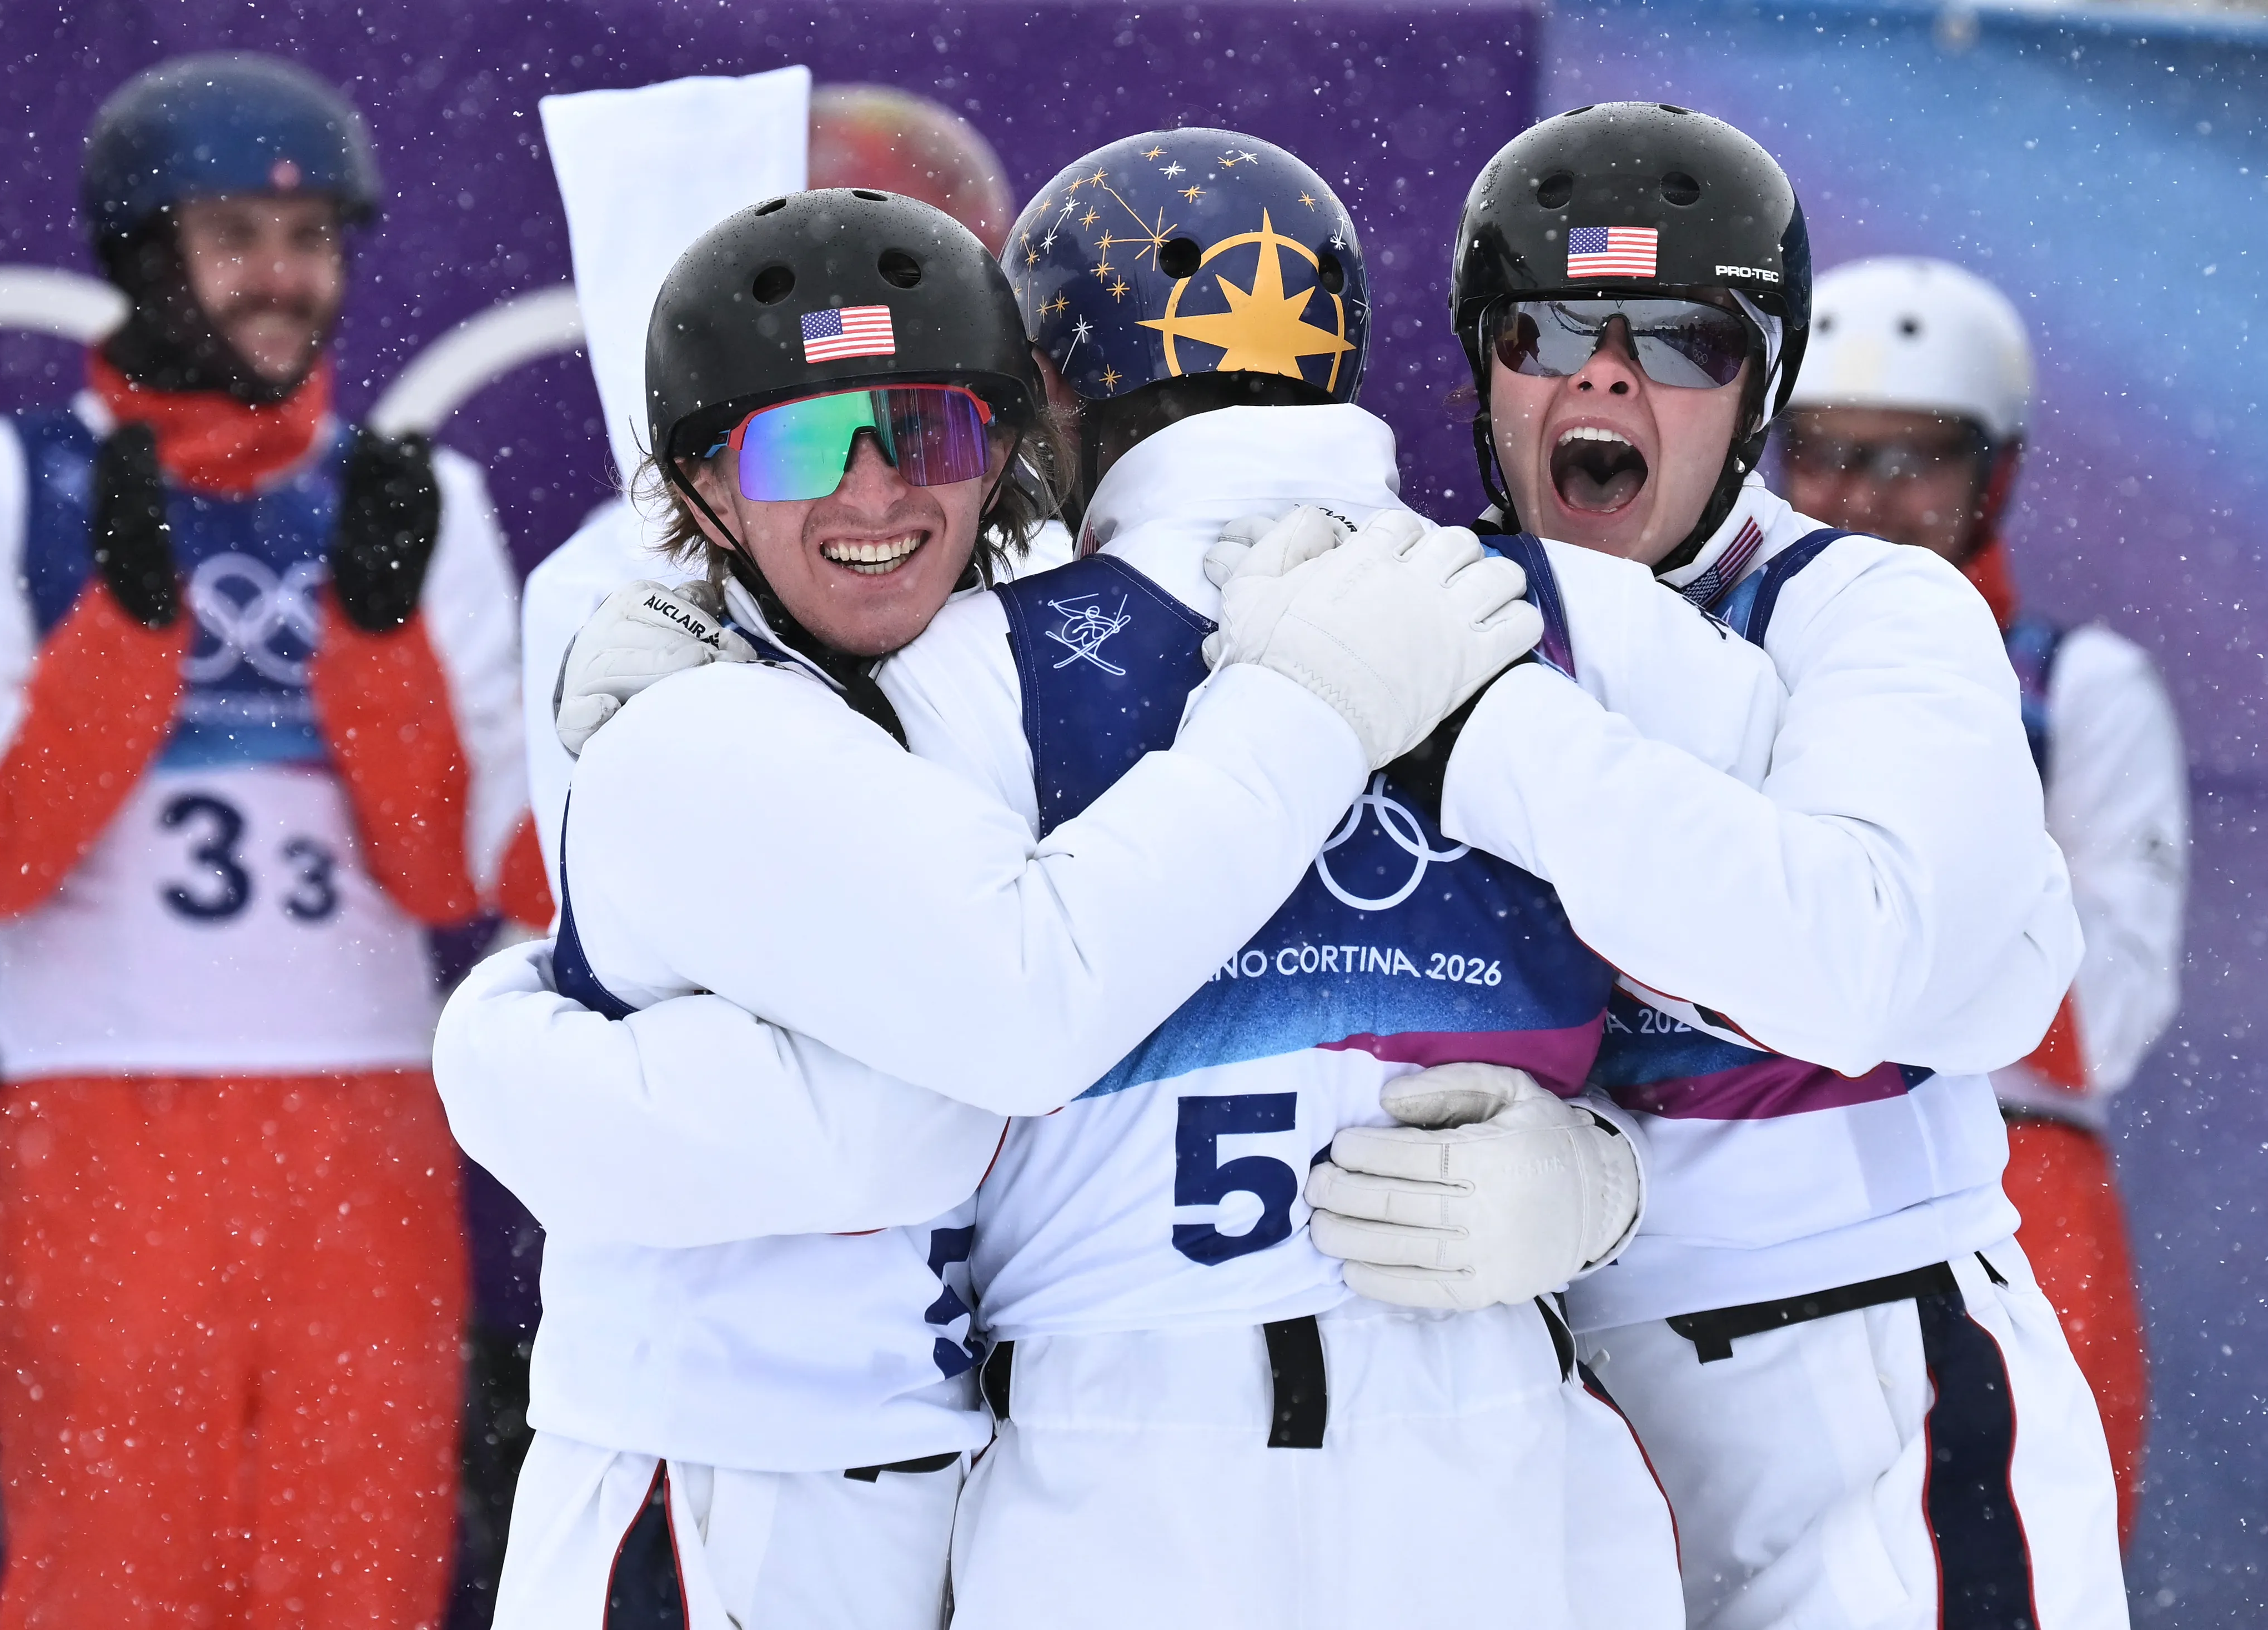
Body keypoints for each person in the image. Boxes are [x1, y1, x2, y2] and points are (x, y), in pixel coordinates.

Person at [493, 128, 1823, 1628]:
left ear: (1043, 392)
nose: (879, 487)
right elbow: (1835, 982)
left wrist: (508, 1028)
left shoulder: (947, 672)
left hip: (1093, 1451)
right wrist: (1612, 1177)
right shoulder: (1591, 620)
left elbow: (889, 1048)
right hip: (1499, 1428)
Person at [1308, 103, 2119, 1629]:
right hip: (1527, 1414)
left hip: (1865, 1397)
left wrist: (1484, 730)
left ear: (1756, 394)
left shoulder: (1870, 611)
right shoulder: (1404, 599)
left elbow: (1850, 962)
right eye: (1547, 330)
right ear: (1483, 369)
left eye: (1683, 339)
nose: (1608, 378)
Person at [0, 53, 548, 1629]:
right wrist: (121, 628)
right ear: (138, 251)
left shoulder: (418, 494)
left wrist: (379, 646)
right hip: (107, 1124)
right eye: (237, 234)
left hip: (368, 1125)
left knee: (358, 1565)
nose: (284, 277)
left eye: (314, 236)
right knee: (114, 1571)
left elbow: (455, 876)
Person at [1782, 254, 2186, 1547]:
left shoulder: (2080, 690)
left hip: (2017, 1193)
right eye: (1826, 451)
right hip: (1757, 1157)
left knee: (2017, 1559)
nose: (1863, 497)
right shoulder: (1710, 653)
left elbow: (2104, 1019)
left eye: (1915, 459)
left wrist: (1938, 821)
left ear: (1991, 475)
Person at [519, 79, 1041, 885]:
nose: (872, 492)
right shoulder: (600, 601)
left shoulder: (1084, 588)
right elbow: (559, 917)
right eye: (802, 443)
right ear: (709, 490)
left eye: (926, 426)